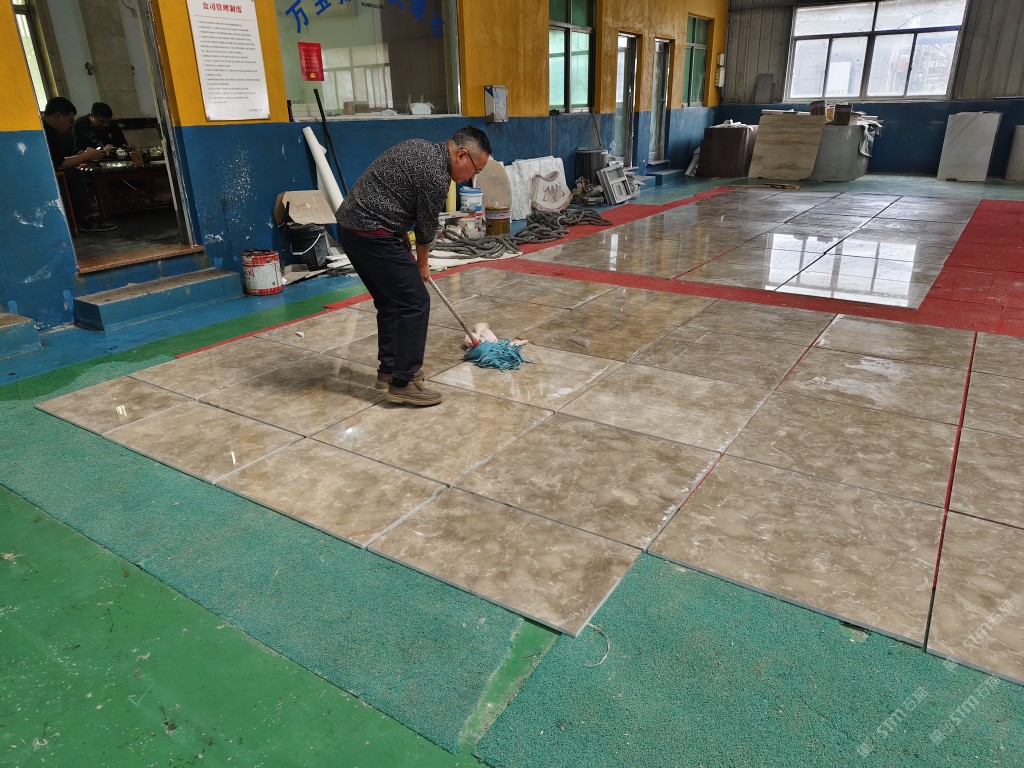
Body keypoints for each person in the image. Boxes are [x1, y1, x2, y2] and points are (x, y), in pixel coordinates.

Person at [335, 126, 492, 407]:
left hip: (352, 228)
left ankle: (389, 370)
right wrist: (422, 264)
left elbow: (396, 200)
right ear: (461, 155)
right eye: (475, 170)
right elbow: (426, 228)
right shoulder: (437, 174)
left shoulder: (422, 148)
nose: (471, 178)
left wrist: (402, 243)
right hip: (371, 232)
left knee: (390, 301)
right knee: (415, 301)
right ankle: (403, 382)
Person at [41, 97, 116, 233]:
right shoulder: (46, 131)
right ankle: (85, 220)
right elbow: (59, 164)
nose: (70, 125)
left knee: (77, 169)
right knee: (75, 174)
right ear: (58, 116)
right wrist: (86, 156)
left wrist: (79, 158)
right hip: (41, 173)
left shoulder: (48, 128)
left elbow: (57, 159)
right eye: (70, 121)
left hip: (48, 168)